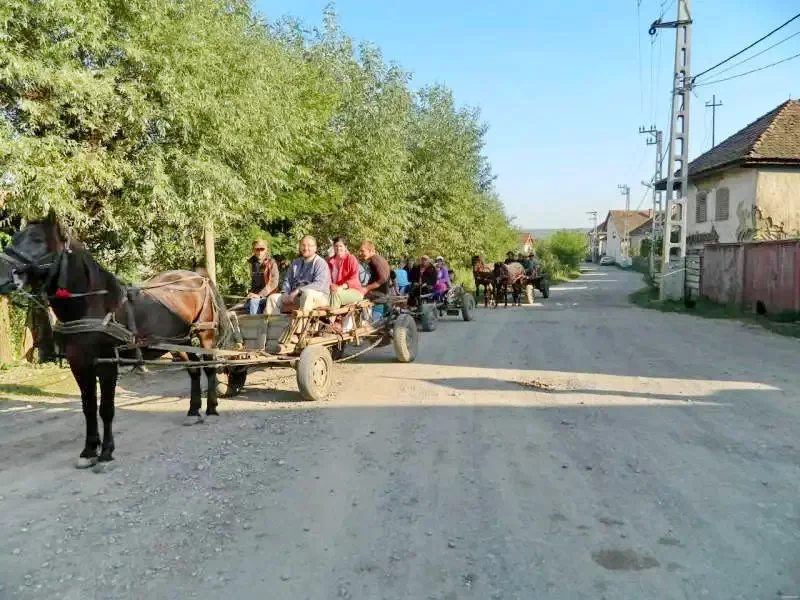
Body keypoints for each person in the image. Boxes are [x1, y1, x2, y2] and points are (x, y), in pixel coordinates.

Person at [263, 235, 330, 318]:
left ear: (315, 248)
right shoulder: (296, 263)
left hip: (319, 297)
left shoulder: (320, 263)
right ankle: (274, 327)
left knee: (307, 294)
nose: (306, 248)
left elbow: (319, 284)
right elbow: (287, 280)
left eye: (309, 245)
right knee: (273, 298)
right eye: (303, 245)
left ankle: (300, 328)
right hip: (296, 296)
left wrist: (299, 290)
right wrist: (285, 293)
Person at [327, 236, 364, 309]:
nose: (338, 248)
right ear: (333, 247)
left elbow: (354, 279)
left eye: (341, 246)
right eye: (336, 246)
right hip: (335, 290)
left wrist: (341, 287)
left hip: (354, 290)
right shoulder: (329, 261)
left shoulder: (351, 259)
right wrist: (331, 285)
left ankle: (331, 319)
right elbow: (327, 278)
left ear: (345, 247)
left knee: (335, 295)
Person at [246, 239, 279, 315]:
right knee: (246, 305)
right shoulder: (253, 263)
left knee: (253, 303)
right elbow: (254, 284)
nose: (260, 252)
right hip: (257, 295)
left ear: (266, 249)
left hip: (270, 296)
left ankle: (256, 325)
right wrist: (251, 294)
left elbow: (273, 283)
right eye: (257, 249)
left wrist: (259, 295)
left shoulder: (272, 263)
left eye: (262, 249)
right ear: (253, 250)